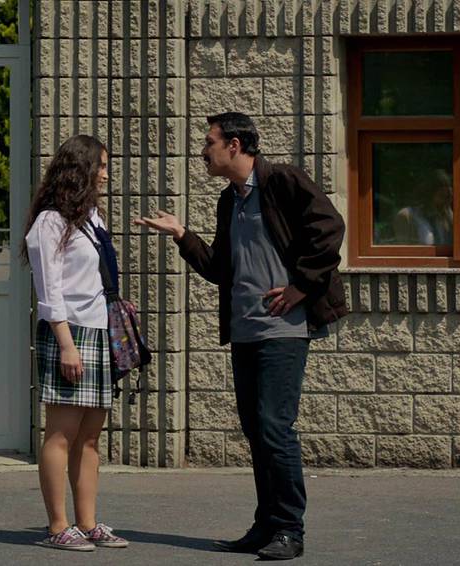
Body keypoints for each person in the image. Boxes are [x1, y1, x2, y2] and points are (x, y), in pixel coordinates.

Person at [135, 112, 347, 561]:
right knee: (256, 430)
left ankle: (289, 528)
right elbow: (220, 268)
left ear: (234, 145)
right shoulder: (229, 200)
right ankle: (266, 525)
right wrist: (182, 234)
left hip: (284, 330)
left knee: (274, 427)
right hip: (246, 330)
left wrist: (301, 286)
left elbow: (330, 229)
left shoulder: (283, 181)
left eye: (208, 142)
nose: (203, 151)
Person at [23, 135, 129, 552]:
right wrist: (66, 344)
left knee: (89, 437)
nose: (105, 174)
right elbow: (49, 290)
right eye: (100, 165)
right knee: (61, 434)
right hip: (69, 333)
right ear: (79, 169)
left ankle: (87, 522)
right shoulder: (50, 222)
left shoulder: (91, 218)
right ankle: (58, 525)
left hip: (99, 330)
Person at [391, 169, 453, 245]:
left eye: (447, 198)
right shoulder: (408, 216)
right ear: (429, 194)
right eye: (441, 196)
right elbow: (403, 249)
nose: (444, 203)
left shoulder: (447, 217)